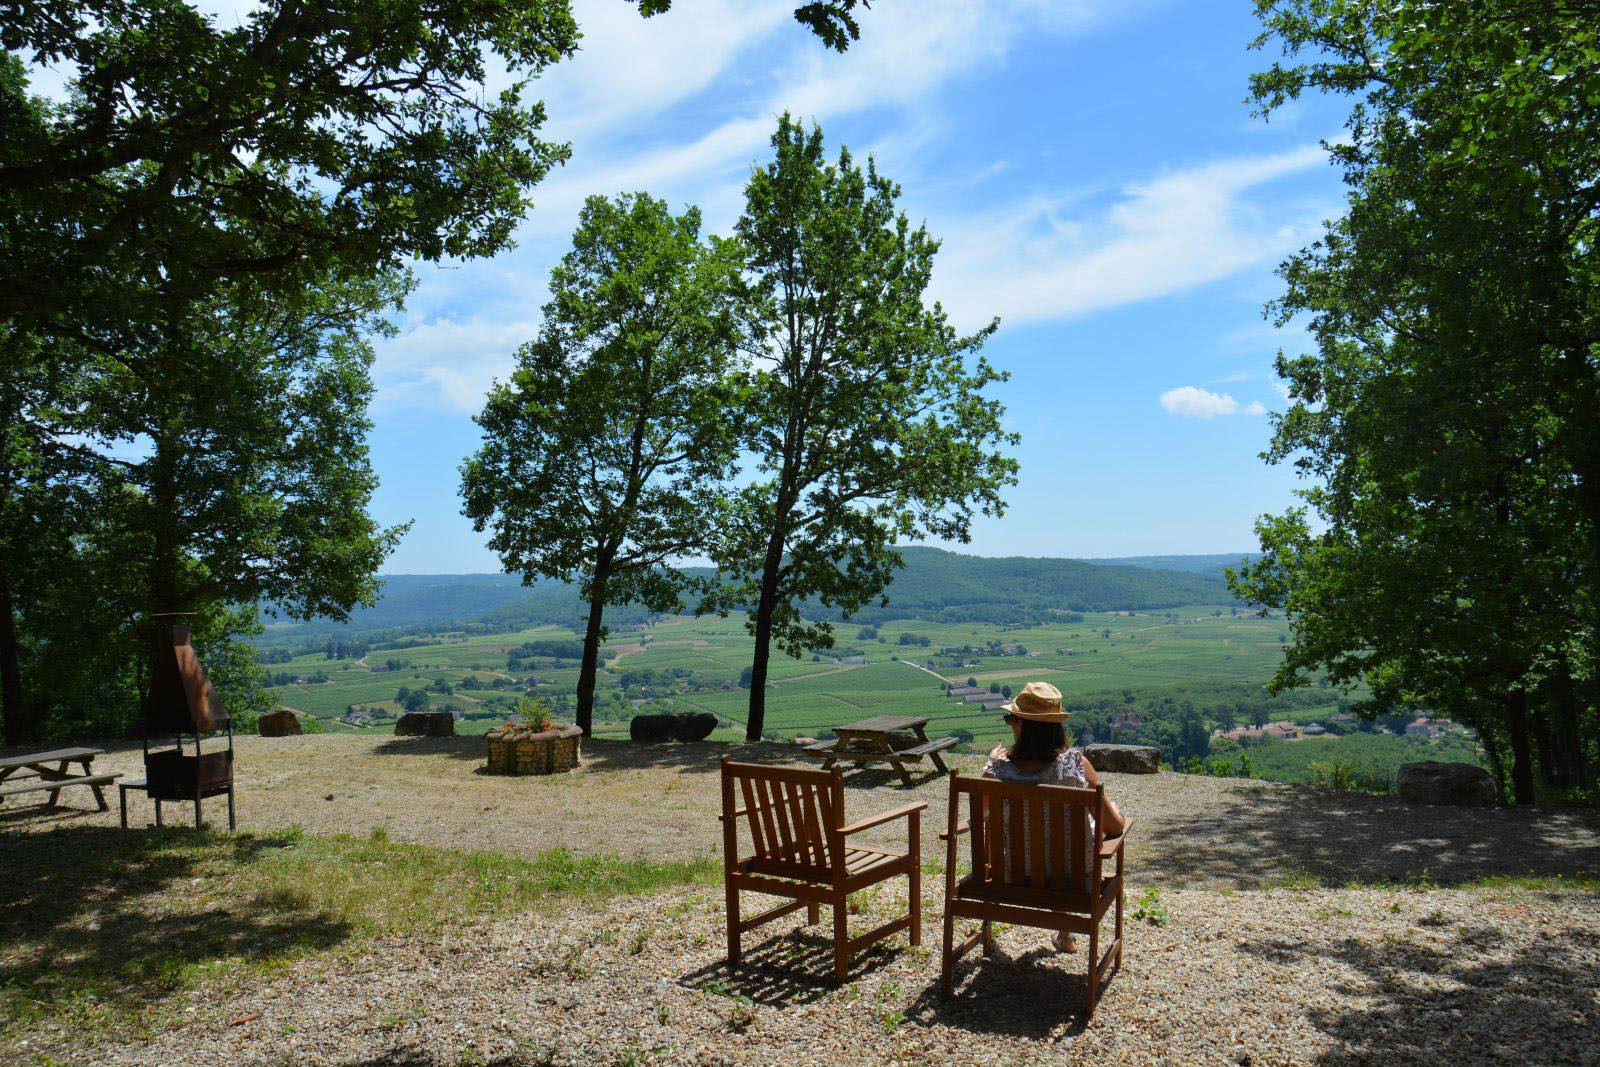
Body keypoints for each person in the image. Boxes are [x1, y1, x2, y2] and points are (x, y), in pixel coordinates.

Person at [982, 680, 1127, 953]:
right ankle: (1065, 932)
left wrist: (992, 763)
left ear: (1021, 725)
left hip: (1014, 876)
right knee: (1086, 829)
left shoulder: (996, 773)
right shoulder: (1076, 767)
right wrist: (1115, 813)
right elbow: (1115, 826)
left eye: (1011, 718)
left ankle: (1060, 932)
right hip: (1074, 881)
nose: (1010, 724)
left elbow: (982, 815)